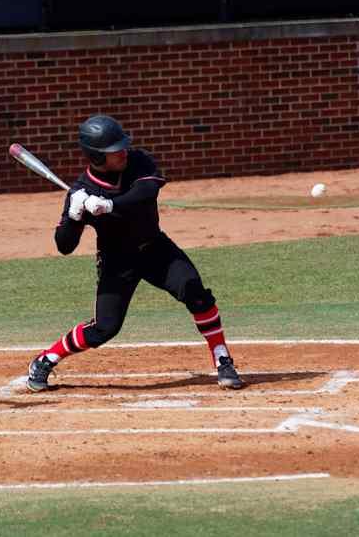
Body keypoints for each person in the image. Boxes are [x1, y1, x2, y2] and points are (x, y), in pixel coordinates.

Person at [26, 114, 245, 392]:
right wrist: (74, 215)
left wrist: (109, 205)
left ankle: (222, 359)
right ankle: (46, 359)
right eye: (114, 150)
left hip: (155, 249)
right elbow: (64, 246)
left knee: (195, 292)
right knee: (105, 328)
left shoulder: (138, 161)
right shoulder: (80, 192)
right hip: (117, 261)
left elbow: (146, 192)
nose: (123, 151)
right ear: (97, 156)